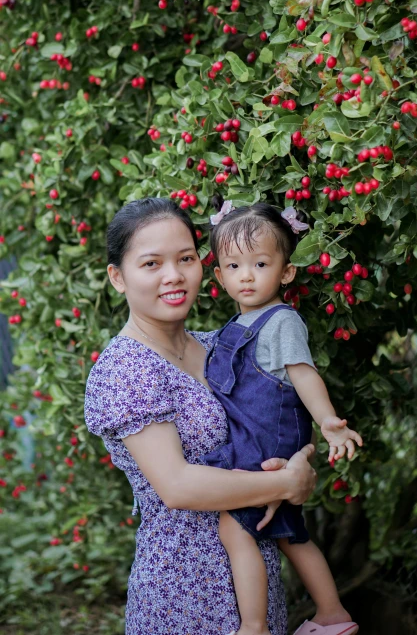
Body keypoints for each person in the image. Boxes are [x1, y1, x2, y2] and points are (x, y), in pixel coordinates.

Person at [84, 197, 317, 635]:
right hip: (184, 594)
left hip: (258, 585)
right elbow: (177, 486)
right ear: (118, 277)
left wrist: (302, 458)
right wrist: (285, 483)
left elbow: (282, 416)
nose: (173, 276)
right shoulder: (125, 369)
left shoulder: (221, 345)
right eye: (151, 263)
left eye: (185, 258)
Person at [202, 199, 363, 635]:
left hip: (266, 443)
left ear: (286, 272)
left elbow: (303, 374)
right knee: (292, 533)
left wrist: (327, 420)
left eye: (259, 263)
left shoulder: (281, 322)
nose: (247, 275)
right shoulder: (233, 326)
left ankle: (253, 627)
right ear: (219, 276)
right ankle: (332, 614)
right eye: (233, 266)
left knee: (235, 530)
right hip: (259, 438)